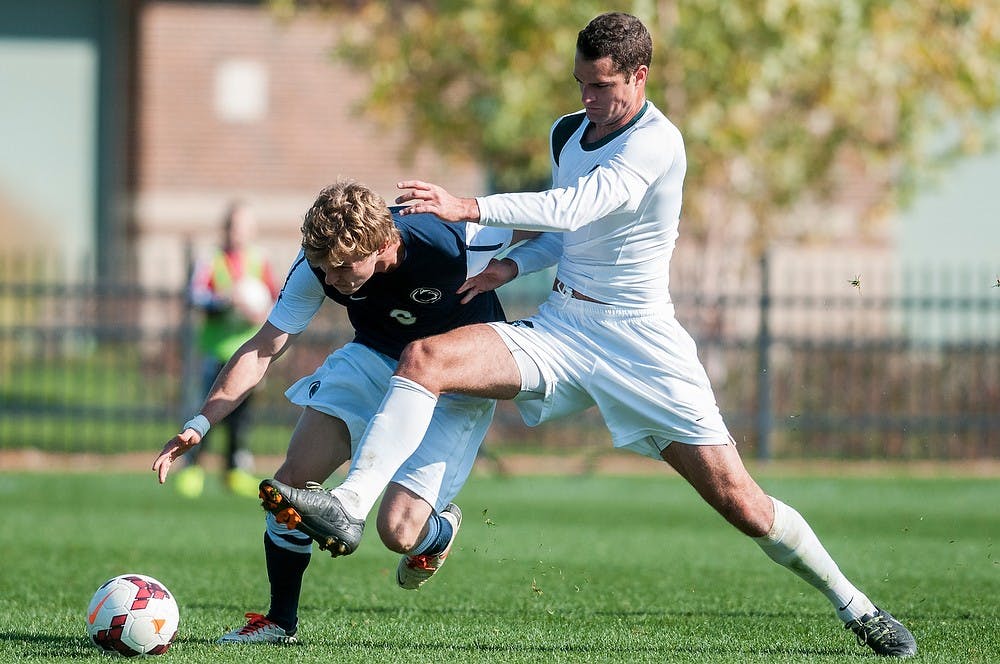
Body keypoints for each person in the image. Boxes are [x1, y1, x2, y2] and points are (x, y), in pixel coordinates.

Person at [259, 13, 918, 658]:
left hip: (641, 348)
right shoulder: (568, 133)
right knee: (426, 356)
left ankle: (856, 606)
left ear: (639, 76)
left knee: (743, 504)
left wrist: (468, 207)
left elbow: (578, 207)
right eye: (581, 84)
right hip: (565, 331)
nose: (588, 99)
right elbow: (565, 233)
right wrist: (515, 265)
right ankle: (349, 502)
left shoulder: (658, 143)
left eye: (602, 86)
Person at [153, 179, 543, 644]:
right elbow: (262, 349)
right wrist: (201, 423)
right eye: (324, 267)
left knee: (397, 530)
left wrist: (520, 265)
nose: (332, 279)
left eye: (343, 268)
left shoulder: (444, 235)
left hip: (459, 375)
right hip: (375, 358)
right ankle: (279, 622)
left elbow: (548, 220)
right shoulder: (316, 267)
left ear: (383, 243)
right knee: (290, 483)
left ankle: (436, 535)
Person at [175, 200, 279, 498]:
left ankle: (234, 469)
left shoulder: (260, 261)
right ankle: (193, 468)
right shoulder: (212, 259)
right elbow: (195, 296)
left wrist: (262, 314)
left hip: (248, 354)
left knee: (241, 417)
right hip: (215, 352)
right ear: (226, 229)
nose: (239, 233)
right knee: (206, 409)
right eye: (234, 226)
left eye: (245, 227)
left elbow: (276, 299)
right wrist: (226, 300)